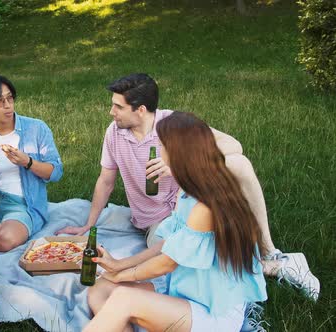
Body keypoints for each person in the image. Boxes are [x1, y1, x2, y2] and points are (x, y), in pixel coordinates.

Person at [55, 73, 319, 299]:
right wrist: (89, 223)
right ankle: (269, 268)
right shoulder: (114, 133)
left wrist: (178, 166)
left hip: (189, 206)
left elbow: (234, 147)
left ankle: (270, 253)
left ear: (141, 109)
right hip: (157, 219)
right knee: (177, 264)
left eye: (118, 107)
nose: (111, 112)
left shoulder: (174, 126)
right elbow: (106, 180)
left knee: (238, 163)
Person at [84, 112, 268, 332]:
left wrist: (121, 275)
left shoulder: (204, 207)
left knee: (123, 297)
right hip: (184, 289)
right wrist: (118, 265)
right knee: (100, 287)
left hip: (211, 312)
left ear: (177, 152)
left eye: (162, 145)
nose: (159, 151)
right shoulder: (187, 189)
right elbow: (169, 244)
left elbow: (167, 263)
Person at [0, 74, 63, 252]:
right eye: (0, 102)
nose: (8, 106)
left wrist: (28, 162)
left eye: (10, 98)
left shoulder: (36, 128)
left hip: (21, 205)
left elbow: (56, 172)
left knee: (4, 240)